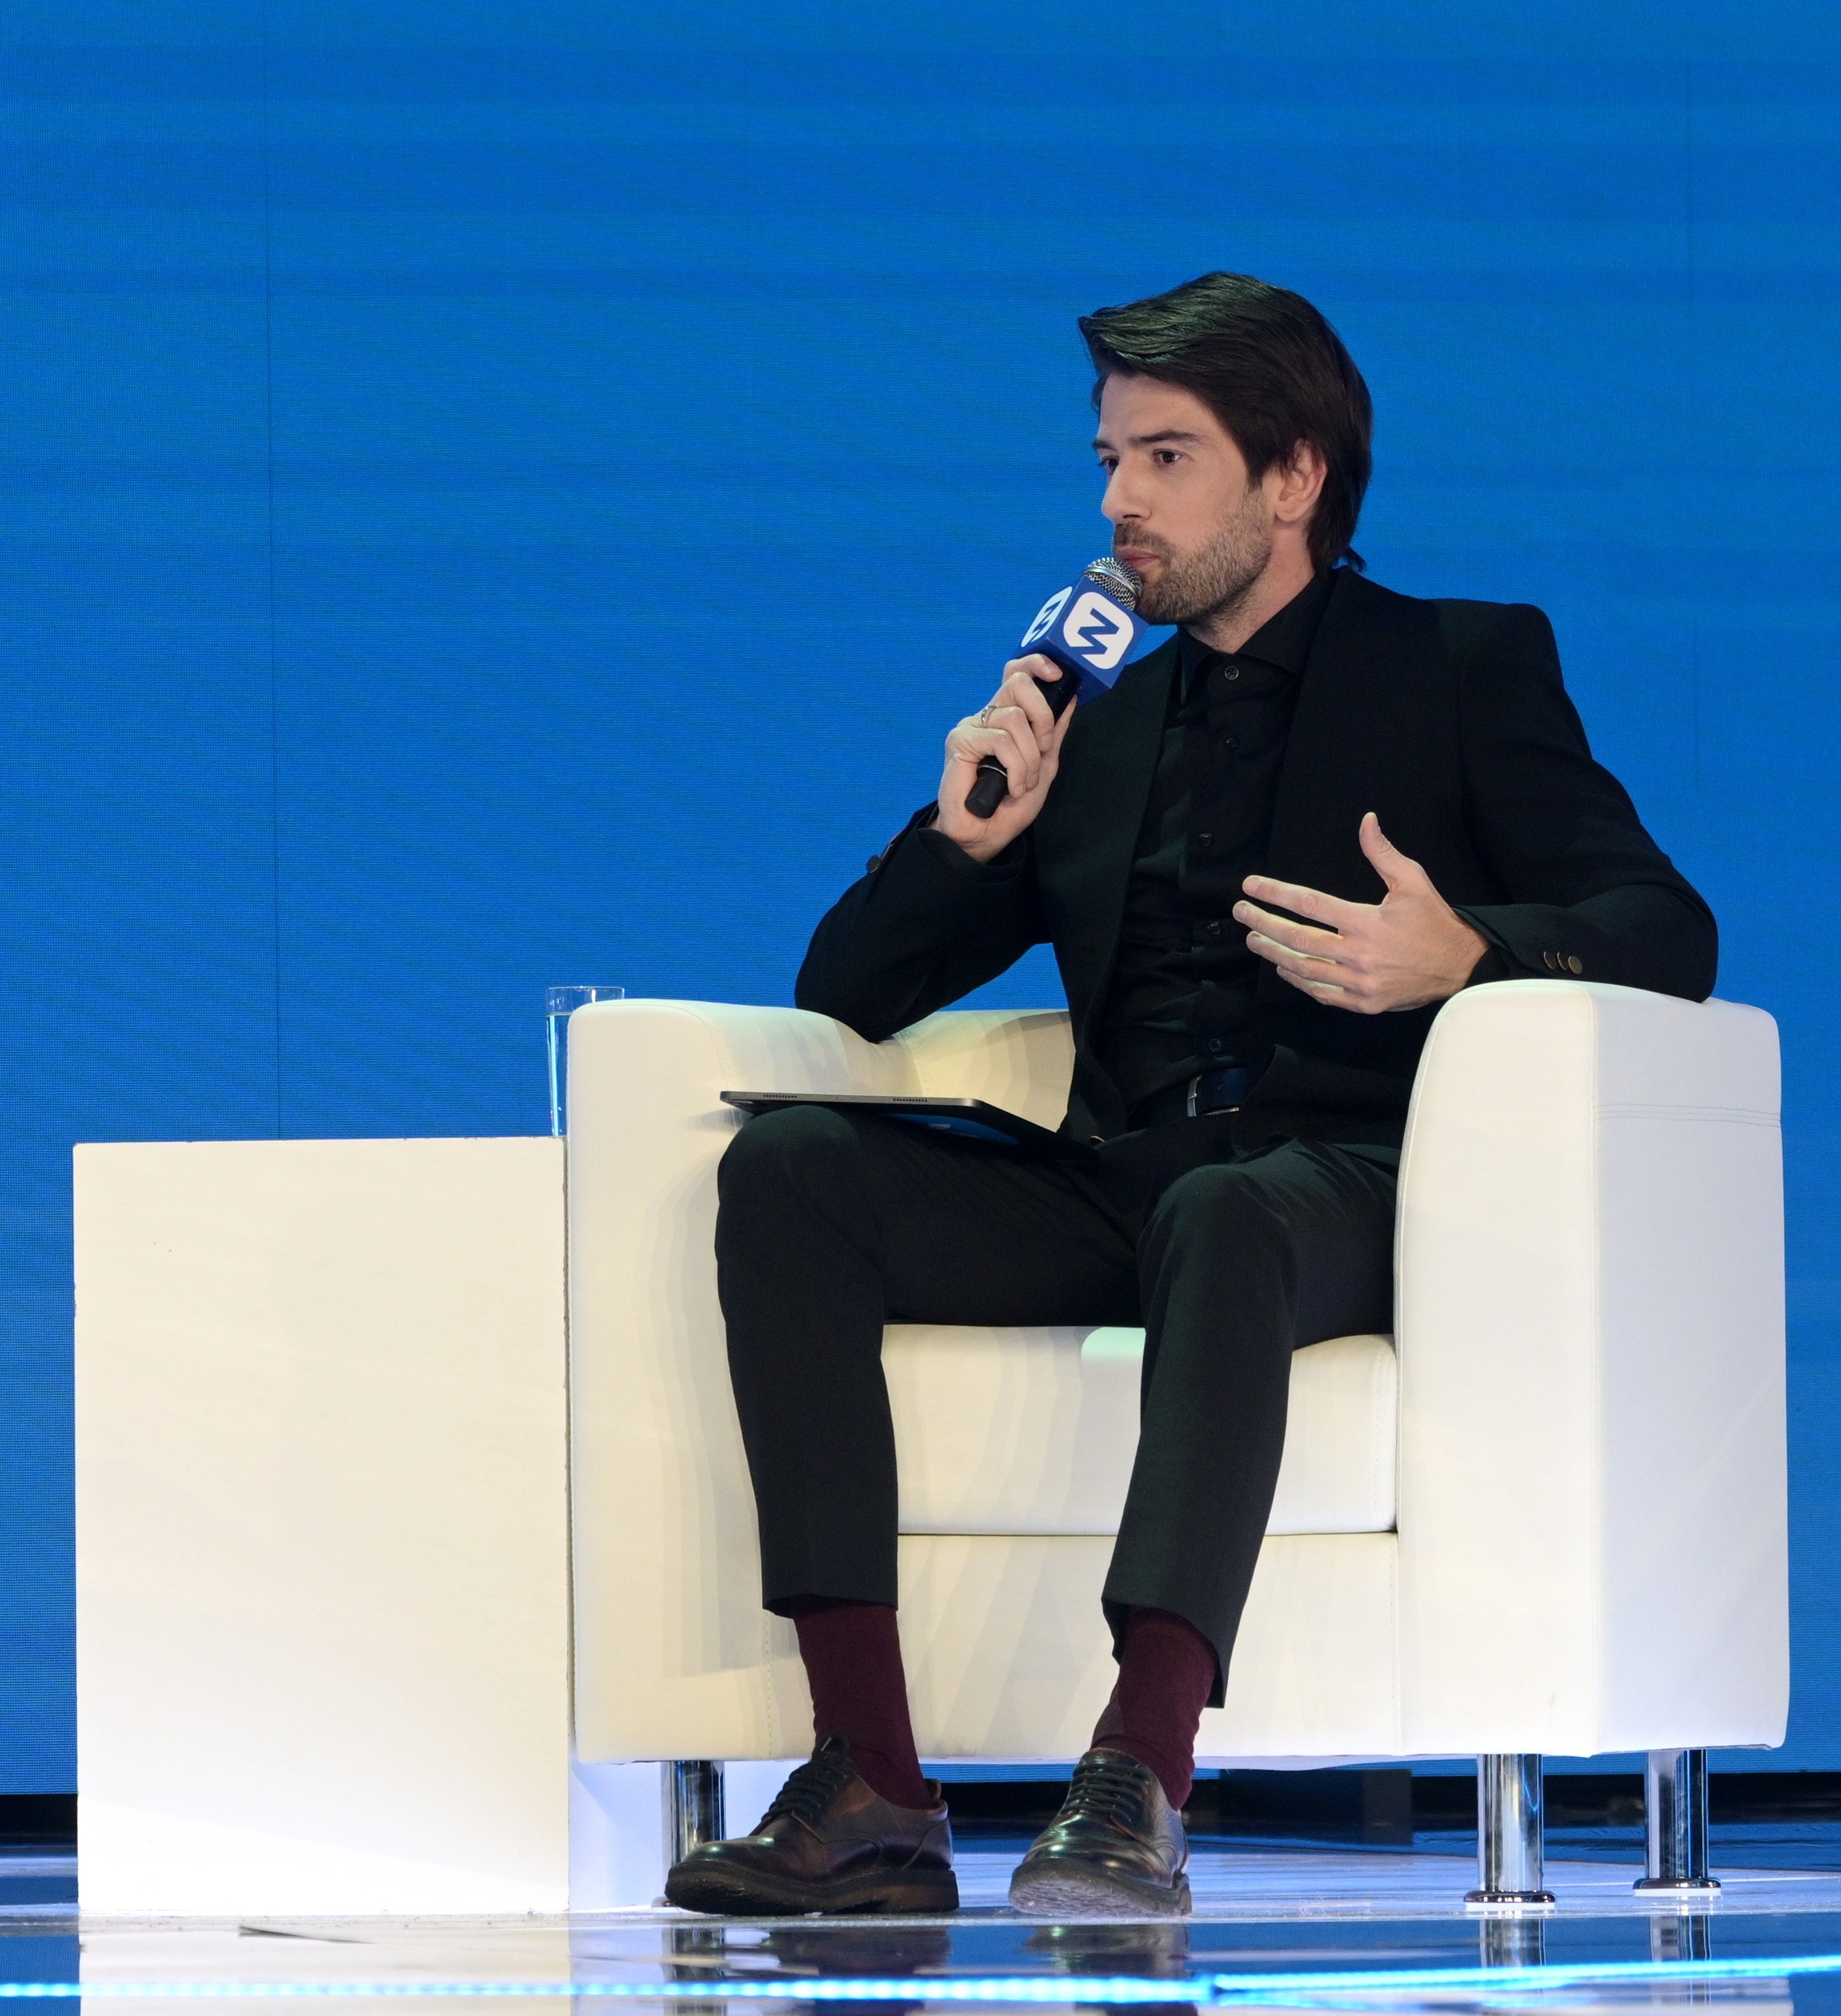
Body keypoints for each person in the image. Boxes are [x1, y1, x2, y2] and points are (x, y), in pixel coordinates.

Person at [668, 273, 1714, 1922]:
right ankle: (869, 1780)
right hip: (1119, 1176)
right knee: (791, 1167)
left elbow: (1666, 927)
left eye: (1164, 458)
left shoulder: (1456, 664)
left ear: (1292, 477)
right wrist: (967, 835)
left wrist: (1465, 953)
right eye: (1106, 460)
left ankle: (1138, 1774)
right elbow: (844, 992)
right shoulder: (1091, 728)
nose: (1116, 505)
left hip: (1335, 1179)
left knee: (1229, 1211)